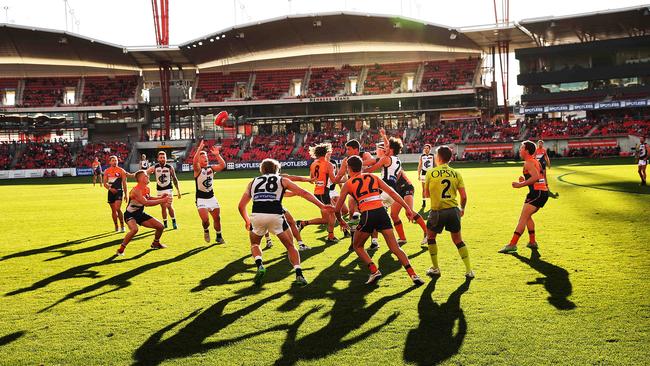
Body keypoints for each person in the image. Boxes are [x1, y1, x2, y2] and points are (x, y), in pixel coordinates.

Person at [238, 158, 334, 286]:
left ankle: (260, 265)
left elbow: (241, 206)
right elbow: (304, 193)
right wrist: (321, 205)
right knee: (290, 246)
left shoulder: (252, 182)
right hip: (276, 215)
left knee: (255, 244)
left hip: (257, 216)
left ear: (261, 170)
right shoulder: (283, 180)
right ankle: (299, 274)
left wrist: (246, 220)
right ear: (277, 169)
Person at [336, 156, 424, 286]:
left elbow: (337, 209)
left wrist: (341, 221)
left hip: (368, 214)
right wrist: (407, 208)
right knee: (395, 247)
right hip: (382, 212)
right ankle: (413, 275)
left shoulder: (348, 184)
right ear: (361, 166)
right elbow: (393, 193)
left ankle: (374, 270)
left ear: (349, 168)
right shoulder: (373, 177)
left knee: (357, 246)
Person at [364, 129, 428, 246]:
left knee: (410, 211)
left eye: (386, 148)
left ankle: (427, 232)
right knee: (394, 214)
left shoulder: (386, 159)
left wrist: (359, 172)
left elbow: (374, 166)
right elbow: (390, 147)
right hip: (394, 189)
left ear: (390, 150)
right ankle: (402, 238)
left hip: (405, 187)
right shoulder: (395, 159)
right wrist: (384, 136)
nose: (385, 149)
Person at [423, 146, 474, 279]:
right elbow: (464, 196)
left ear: (439, 158)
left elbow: (426, 194)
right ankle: (469, 270)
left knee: (431, 237)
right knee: (458, 240)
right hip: (453, 211)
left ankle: (435, 268)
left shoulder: (430, 173)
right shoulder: (457, 174)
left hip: (437, 211)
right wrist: (462, 209)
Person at [499, 141, 549, 253]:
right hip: (541, 192)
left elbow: (536, 177)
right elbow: (538, 177)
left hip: (537, 193)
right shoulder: (534, 161)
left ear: (526, 151)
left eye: (521, 148)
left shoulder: (529, 163)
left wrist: (520, 185)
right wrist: (525, 180)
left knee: (523, 218)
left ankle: (512, 244)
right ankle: (532, 242)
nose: (520, 149)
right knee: (527, 217)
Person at [334, 139, 380, 249]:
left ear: (356, 149)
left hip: (367, 190)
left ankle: (374, 241)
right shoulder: (346, 160)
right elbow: (339, 175)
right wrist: (334, 179)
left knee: (370, 215)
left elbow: (373, 162)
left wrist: (356, 163)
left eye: (349, 149)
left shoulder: (365, 154)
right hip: (353, 191)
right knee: (351, 213)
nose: (347, 151)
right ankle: (353, 241)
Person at [116, 170, 172, 256]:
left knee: (160, 227)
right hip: (130, 214)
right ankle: (121, 250)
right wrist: (163, 200)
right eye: (146, 176)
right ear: (141, 179)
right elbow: (146, 203)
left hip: (140, 214)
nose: (148, 177)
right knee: (134, 229)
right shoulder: (136, 190)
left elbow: (148, 198)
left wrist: (160, 197)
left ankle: (155, 243)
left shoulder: (147, 188)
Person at [296, 143, 339, 243]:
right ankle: (331, 236)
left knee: (326, 219)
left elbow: (311, 180)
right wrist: (342, 177)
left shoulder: (313, 164)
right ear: (326, 152)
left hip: (318, 192)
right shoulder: (329, 165)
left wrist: (318, 180)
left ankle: (303, 223)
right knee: (332, 215)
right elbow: (334, 180)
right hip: (324, 192)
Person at [192, 140, 226, 243]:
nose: (205, 159)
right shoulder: (197, 169)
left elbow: (223, 166)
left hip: (211, 197)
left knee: (217, 218)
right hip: (201, 199)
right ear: (199, 160)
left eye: (206, 157)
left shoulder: (211, 168)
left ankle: (219, 236)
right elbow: (194, 162)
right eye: (203, 158)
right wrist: (199, 149)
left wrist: (217, 155)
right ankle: (206, 230)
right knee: (205, 220)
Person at [146, 151, 181, 229]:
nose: (162, 159)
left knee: (168, 205)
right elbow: (146, 172)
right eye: (161, 158)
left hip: (168, 188)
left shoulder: (170, 167)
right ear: (158, 159)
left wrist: (178, 191)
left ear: (166, 159)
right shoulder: (155, 167)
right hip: (159, 189)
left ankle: (174, 222)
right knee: (163, 207)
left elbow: (175, 179)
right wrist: (146, 178)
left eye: (164, 157)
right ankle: (165, 223)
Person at [103, 156, 133, 232]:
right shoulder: (107, 171)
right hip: (110, 192)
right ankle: (116, 226)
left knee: (117, 208)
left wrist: (126, 194)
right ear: (110, 162)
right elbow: (105, 183)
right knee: (113, 211)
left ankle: (122, 225)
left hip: (119, 191)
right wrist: (110, 188)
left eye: (116, 160)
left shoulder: (121, 170)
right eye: (113, 160)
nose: (115, 162)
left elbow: (124, 183)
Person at [417, 144, 435, 209]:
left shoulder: (433, 156)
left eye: (427, 148)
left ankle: (433, 202)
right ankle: (424, 202)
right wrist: (418, 175)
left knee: (431, 189)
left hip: (431, 174)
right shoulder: (422, 156)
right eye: (425, 148)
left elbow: (435, 165)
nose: (426, 149)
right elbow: (419, 166)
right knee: (424, 189)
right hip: (424, 173)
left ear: (430, 149)